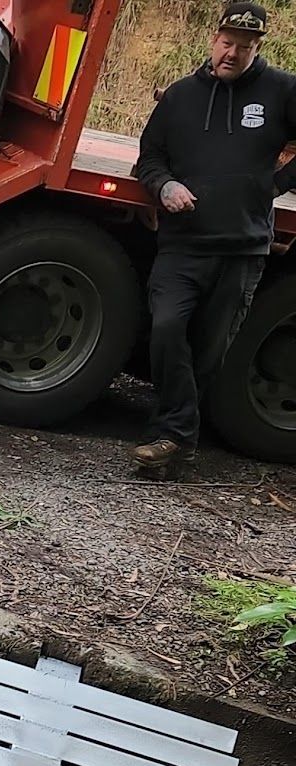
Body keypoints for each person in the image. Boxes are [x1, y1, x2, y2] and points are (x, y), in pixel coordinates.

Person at [133, 1, 296, 467]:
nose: (231, 54)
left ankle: (171, 439)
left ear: (257, 47)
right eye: (226, 43)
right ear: (213, 39)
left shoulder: (282, 90)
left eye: (243, 47)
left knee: (209, 350)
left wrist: (277, 185)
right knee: (165, 328)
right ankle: (176, 435)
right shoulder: (181, 96)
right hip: (183, 244)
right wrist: (165, 185)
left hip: (241, 249)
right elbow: (149, 158)